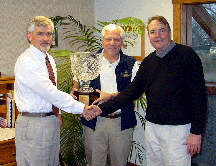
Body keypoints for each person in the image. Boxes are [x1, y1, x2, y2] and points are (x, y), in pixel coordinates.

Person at [90, 16, 207, 166]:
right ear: (149, 36)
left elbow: (199, 97)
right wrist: (101, 109)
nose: (157, 36)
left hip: (178, 131)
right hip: (152, 127)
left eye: (161, 30)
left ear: (169, 33)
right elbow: (130, 92)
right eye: (153, 32)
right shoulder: (148, 61)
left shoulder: (187, 55)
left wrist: (196, 132)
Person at [14, 16, 99, 166]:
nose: (45, 38)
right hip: (34, 124)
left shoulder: (49, 59)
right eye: (40, 33)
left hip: (50, 121)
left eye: (49, 34)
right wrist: (82, 108)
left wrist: (58, 113)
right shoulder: (26, 61)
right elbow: (49, 92)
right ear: (29, 36)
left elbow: (51, 91)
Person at [71, 24, 139, 166]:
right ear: (102, 40)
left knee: (119, 163)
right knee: (95, 163)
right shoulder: (89, 60)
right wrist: (75, 91)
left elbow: (137, 94)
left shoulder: (131, 64)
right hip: (94, 121)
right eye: (108, 39)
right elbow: (77, 83)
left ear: (122, 42)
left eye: (116, 39)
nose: (112, 43)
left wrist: (110, 96)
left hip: (121, 121)